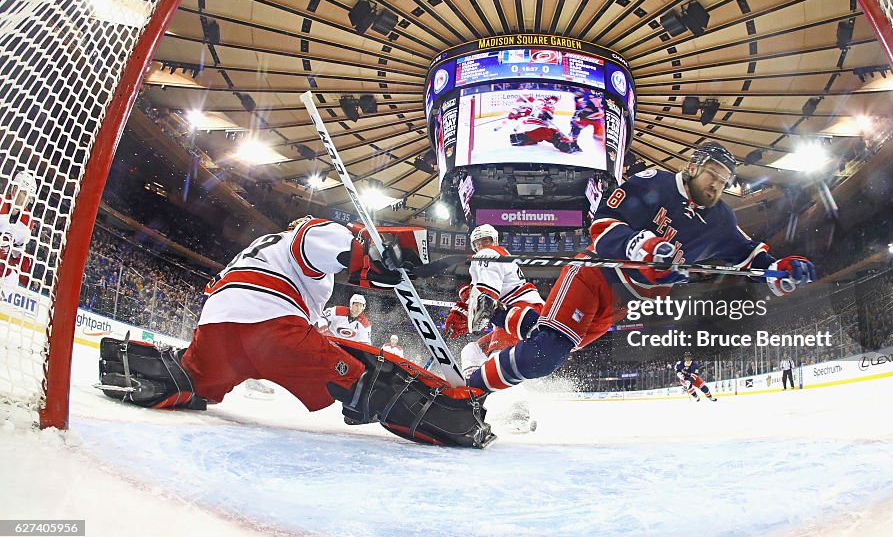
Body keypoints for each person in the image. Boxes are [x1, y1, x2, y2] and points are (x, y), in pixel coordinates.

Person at [98, 216, 493, 447]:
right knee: (367, 377)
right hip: (272, 330)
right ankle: (456, 416)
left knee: (198, 378)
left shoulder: (262, 245)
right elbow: (338, 249)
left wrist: (375, 269)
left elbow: (357, 272)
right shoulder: (310, 232)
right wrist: (373, 254)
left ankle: (161, 374)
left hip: (216, 331)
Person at [466, 142, 816, 393]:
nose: (717, 186)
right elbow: (602, 224)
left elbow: (751, 257)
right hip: (593, 275)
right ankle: (473, 389)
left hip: (620, 307)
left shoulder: (721, 219)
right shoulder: (655, 183)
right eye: (712, 174)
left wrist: (779, 269)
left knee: (550, 344)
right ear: (693, 167)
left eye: (724, 182)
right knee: (545, 354)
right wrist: (642, 246)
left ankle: (498, 317)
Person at [444, 224, 544, 377]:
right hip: (512, 315)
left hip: (520, 312)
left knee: (497, 359)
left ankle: (508, 396)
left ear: (494, 241)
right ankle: (474, 387)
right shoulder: (492, 258)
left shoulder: (488, 254)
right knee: (471, 352)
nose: (481, 245)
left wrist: (468, 313)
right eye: (478, 243)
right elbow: (484, 296)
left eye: (485, 240)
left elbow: (487, 298)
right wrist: (465, 307)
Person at [0, 171, 37, 297]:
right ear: (15, 189)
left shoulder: (27, 223)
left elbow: (19, 254)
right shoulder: (1, 203)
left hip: (1, 264)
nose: (27, 200)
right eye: (25, 193)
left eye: (30, 197)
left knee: (12, 279)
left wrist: (19, 269)